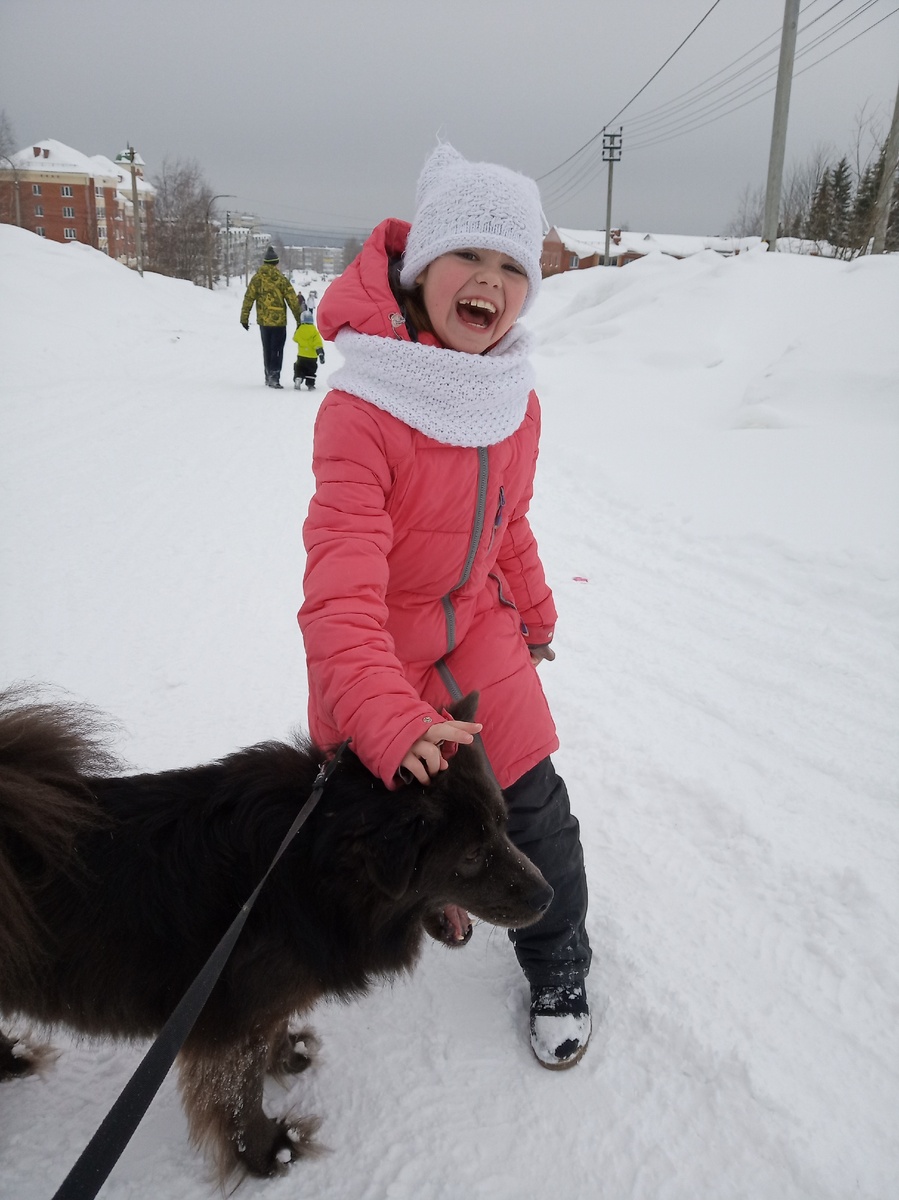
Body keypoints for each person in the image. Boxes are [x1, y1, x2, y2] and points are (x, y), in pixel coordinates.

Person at [298, 143, 591, 1069]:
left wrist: (533, 616)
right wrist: (386, 718)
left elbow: (509, 525)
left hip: (480, 638)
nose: (490, 281)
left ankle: (559, 959)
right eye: (468, 255)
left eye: (512, 264)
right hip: (378, 655)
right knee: (397, 831)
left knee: (534, 810)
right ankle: (435, 897)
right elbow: (338, 594)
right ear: (421, 268)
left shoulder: (514, 398)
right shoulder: (362, 408)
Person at [240, 246, 304, 388]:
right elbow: (292, 300)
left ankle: (268, 375)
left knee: (267, 349)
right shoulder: (281, 279)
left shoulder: (257, 279)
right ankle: (274, 377)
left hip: (264, 322)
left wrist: (244, 318)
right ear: (276, 263)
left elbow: (248, 298)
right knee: (277, 350)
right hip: (279, 322)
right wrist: (299, 320)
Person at [292, 311, 325, 390]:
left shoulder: (300, 329)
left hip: (301, 355)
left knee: (299, 368)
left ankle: (298, 377)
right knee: (311, 371)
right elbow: (318, 343)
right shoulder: (314, 331)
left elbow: (295, 339)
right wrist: (320, 353)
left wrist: (298, 330)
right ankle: (310, 384)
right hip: (312, 357)